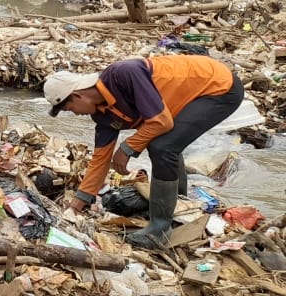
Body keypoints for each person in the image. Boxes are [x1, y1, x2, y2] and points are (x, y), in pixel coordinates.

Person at [45, 55, 244, 249]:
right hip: (188, 96)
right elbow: (100, 160)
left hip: (217, 86)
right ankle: (180, 203)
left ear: (78, 95)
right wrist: (76, 206)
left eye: (69, 108)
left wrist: (127, 148)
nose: (74, 113)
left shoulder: (124, 74)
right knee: (165, 143)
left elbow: (161, 121)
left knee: (162, 146)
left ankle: (159, 230)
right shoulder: (102, 115)